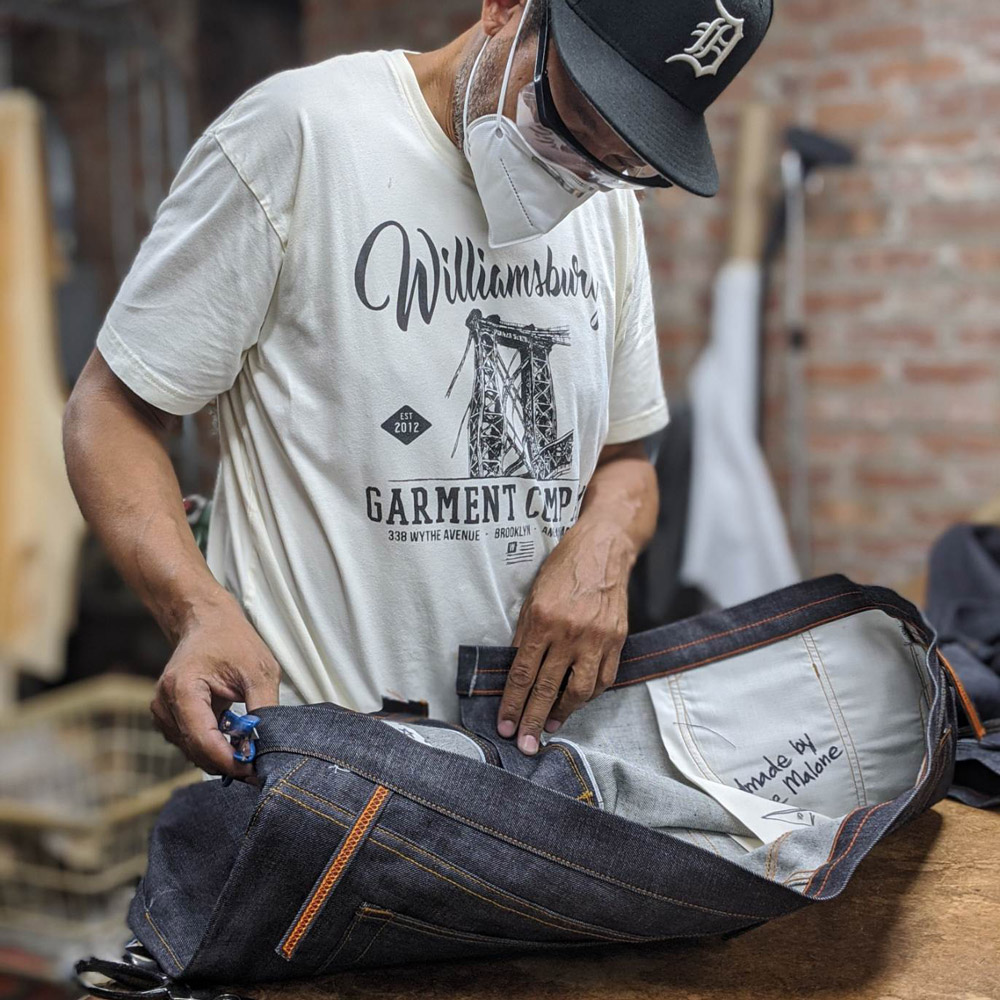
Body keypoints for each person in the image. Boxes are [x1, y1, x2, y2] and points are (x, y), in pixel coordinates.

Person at [63, 0, 772, 782]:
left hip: (519, 777)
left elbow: (627, 458)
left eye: (624, 156)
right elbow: (110, 413)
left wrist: (603, 544)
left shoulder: (606, 209)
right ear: (506, 9)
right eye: (573, 114)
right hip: (310, 768)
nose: (582, 168)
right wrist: (197, 611)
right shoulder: (301, 137)